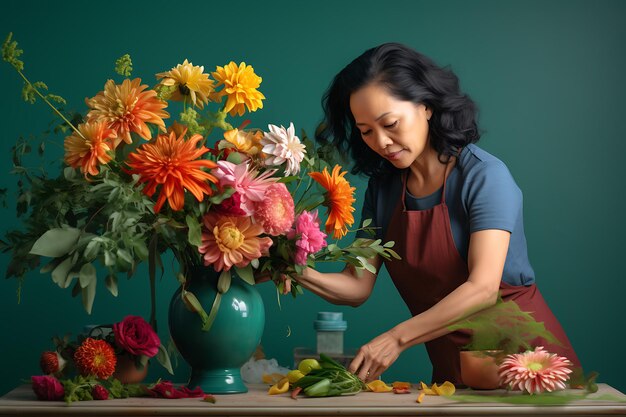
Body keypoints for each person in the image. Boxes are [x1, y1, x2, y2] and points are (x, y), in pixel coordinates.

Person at [293, 42, 580, 385]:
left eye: (391, 123)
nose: (381, 141)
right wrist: (291, 268)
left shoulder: (484, 177)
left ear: (426, 106)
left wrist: (397, 338)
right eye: (367, 131)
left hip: (531, 370)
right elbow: (357, 286)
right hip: (456, 376)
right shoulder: (383, 189)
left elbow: (483, 288)